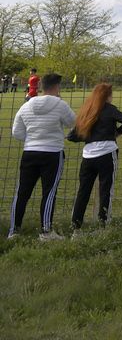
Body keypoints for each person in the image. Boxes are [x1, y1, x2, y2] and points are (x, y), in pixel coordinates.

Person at [8, 73, 75, 240]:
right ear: (57, 87)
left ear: (41, 87)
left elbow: (16, 132)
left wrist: (32, 139)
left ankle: (14, 231)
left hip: (30, 152)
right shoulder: (60, 104)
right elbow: (73, 123)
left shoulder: (26, 106)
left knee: (22, 192)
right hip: (53, 153)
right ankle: (46, 232)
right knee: (49, 193)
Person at [68, 82, 122, 230]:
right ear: (107, 96)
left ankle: (75, 227)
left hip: (88, 156)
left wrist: (89, 137)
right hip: (107, 154)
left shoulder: (87, 109)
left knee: (83, 192)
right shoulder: (110, 109)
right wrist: (116, 133)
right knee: (106, 191)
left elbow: (73, 135)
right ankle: (103, 226)